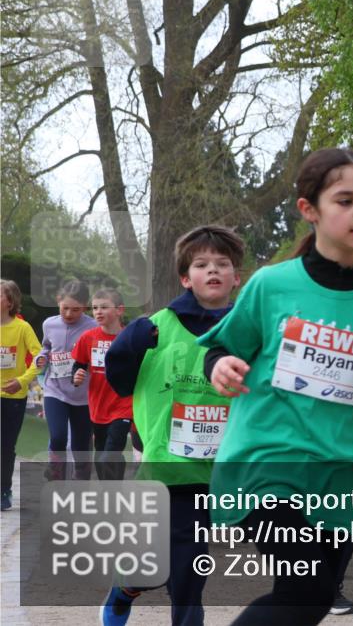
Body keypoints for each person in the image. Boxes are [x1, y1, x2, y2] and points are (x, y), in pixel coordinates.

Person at [201, 147, 353, 625]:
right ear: (310, 210)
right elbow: (221, 349)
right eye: (345, 200)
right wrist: (220, 367)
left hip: (335, 475)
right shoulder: (272, 284)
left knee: (315, 598)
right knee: (306, 591)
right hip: (265, 463)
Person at [100, 225, 245, 626]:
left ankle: (129, 586)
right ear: (186, 277)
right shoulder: (153, 329)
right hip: (168, 467)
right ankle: (126, 589)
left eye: (222, 264)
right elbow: (118, 380)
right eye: (201, 264)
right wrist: (130, 345)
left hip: (223, 472)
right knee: (182, 571)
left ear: (237, 277)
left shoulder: (249, 333)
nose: (212, 270)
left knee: (184, 567)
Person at [36, 279, 97, 480]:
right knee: (58, 436)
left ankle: (81, 480)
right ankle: (55, 472)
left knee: (80, 445)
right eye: (65, 309)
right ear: (57, 302)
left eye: (76, 310)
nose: (69, 314)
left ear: (85, 307)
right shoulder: (49, 324)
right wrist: (41, 357)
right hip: (55, 390)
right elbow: (46, 346)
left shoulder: (93, 327)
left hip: (83, 396)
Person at [71, 288, 132, 480]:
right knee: (101, 453)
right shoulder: (88, 338)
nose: (98, 312)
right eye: (95, 308)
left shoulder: (130, 338)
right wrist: (77, 376)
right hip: (98, 406)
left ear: (119, 310)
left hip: (124, 405)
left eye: (104, 307)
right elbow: (78, 365)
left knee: (111, 452)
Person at [1, 279, 42, 511]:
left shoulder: (22, 328)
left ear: (9, 302)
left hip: (13, 398)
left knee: (6, 446)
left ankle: (4, 490)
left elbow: (40, 358)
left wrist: (22, 380)